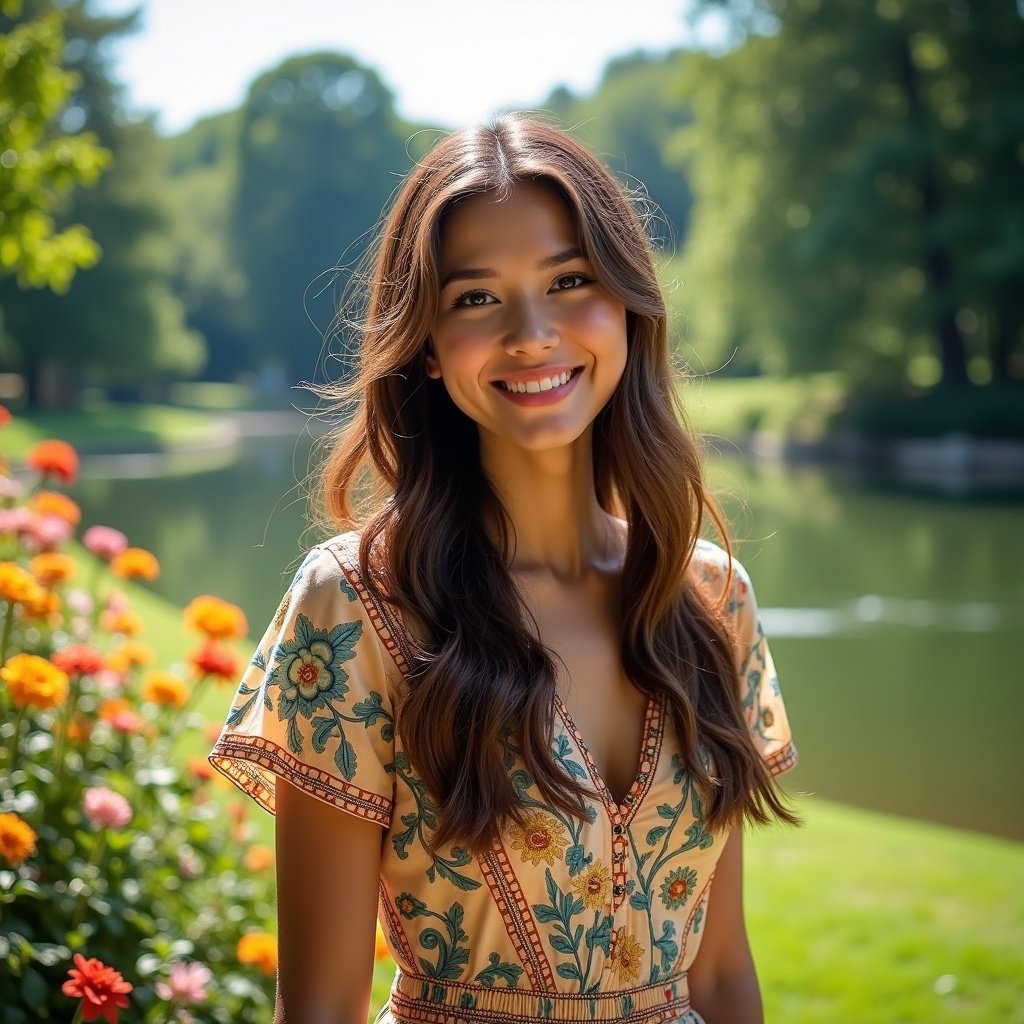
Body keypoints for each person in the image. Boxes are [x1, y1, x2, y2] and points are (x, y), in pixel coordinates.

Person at [209, 114, 799, 1024]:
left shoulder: (711, 597)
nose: (531, 333)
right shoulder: (358, 605)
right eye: (477, 298)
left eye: (569, 280)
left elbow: (719, 974)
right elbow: (319, 1007)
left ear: (628, 306)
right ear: (430, 347)